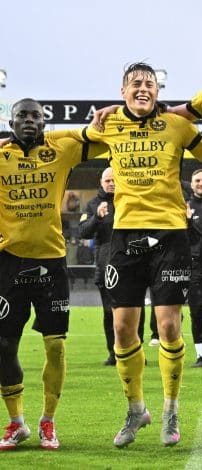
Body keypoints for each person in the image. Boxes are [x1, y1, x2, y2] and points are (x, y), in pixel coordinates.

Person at [65, 62, 202, 448]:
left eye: (149, 83)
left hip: (170, 237)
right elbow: (70, 144)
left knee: (168, 326)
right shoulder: (109, 126)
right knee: (121, 329)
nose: (143, 88)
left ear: (157, 91)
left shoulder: (178, 127)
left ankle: (170, 408)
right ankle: (136, 409)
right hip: (124, 236)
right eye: (136, 84)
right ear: (122, 91)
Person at [0, 98, 104, 450]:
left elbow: (99, 136)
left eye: (36, 116)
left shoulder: (61, 150)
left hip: (52, 262)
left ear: (44, 122)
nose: (29, 120)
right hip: (9, 263)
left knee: (55, 346)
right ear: (11, 122)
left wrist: (81, 127)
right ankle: (16, 422)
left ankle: (48, 421)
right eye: (22, 116)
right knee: (3, 346)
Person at [80, 167, 150, 366]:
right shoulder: (93, 204)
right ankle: (113, 353)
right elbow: (83, 232)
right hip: (106, 267)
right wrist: (97, 218)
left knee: (136, 310)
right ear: (101, 183)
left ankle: (137, 350)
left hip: (132, 265)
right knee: (109, 312)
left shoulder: (130, 200)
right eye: (107, 180)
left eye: (114, 180)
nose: (111, 183)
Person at [186, 168, 202, 367]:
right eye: (198, 180)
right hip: (193, 263)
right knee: (196, 308)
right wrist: (186, 220)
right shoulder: (184, 206)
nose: (201, 183)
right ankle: (201, 355)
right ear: (192, 184)